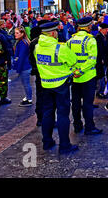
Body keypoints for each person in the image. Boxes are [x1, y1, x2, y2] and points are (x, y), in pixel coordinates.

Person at [34, 21, 79, 154]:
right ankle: (64, 145)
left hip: (45, 84)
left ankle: (47, 142)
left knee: (47, 113)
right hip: (61, 85)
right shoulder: (60, 48)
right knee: (63, 114)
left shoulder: (37, 47)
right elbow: (73, 61)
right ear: (53, 33)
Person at [67, 17, 103, 135]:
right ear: (88, 27)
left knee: (76, 103)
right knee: (87, 103)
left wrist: (74, 71)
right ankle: (89, 127)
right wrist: (81, 71)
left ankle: (77, 125)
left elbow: (68, 59)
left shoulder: (71, 40)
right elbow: (92, 60)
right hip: (87, 77)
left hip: (75, 78)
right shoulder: (90, 40)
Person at [13, 26, 33, 107]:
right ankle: (28, 97)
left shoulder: (22, 43)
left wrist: (18, 68)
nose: (15, 35)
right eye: (15, 33)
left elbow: (20, 57)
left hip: (24, 67)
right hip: (25, 66)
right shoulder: (23, 42)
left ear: (22, 33)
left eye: (17, 33)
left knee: (26, 84)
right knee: (25, 83)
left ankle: (29, 99)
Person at [95, 23, 108, 99]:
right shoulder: (98, 37)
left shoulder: (104, 37)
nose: (107, 31)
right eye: (106, 29)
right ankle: (100, 92)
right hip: (100, 60)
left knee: (103, 75)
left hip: (104, 59)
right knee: (100, 76)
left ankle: (102, 91)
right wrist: (101, 59)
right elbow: (99, 50)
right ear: (101, 30)